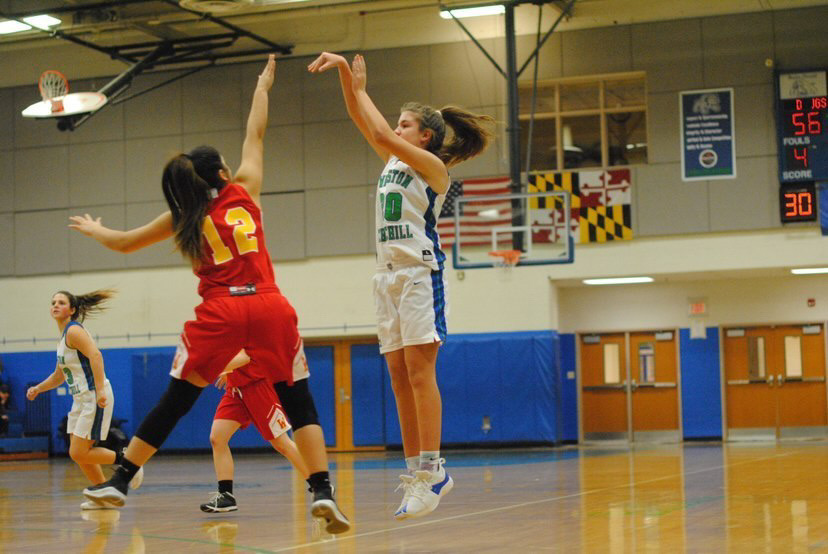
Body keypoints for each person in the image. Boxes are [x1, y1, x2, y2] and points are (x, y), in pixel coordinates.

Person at [69, 55, 350, 534]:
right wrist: (263, 87)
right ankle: (322, 490)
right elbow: (255, 134)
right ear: (222, 172)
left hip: (220, 310)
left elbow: (121, 243)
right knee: (299, 399)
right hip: (268, 303)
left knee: (177, 398)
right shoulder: (245, 190)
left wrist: (96, 230)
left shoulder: (184, 216)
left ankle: (120, 478)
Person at [308, 52, 494, 519]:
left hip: (417, 274)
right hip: (386, 277)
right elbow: (362, 121)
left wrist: (357, 83)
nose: (397, 128)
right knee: (397, 379)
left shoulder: (433, 168)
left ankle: (434, 471)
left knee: (418, 374)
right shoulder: (394, 160)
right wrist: (350, 85)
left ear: (424, 136)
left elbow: (376, 131)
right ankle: (419, 473)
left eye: (406, 124)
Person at [25, 290, 144, 510]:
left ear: (72, 310)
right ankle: (104, 493)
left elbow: (96, 355)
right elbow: (59, 375)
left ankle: (129, 463)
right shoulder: (63, 338)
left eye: (61, 302)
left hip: (92, 395)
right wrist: (38, 389)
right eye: (53, 302)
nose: (55, 305)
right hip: (80, 399)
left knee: (79, 452)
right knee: (79, 454)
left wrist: (99, 389)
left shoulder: (74, 331)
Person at [200, 349, 308, 513]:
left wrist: (218, 366)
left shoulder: (246, 326)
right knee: (217, 438)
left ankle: (320, 483)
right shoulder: (226, 329)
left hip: (257, 387)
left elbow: (245, 357)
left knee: (282, 444)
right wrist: (229, 370)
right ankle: (226, 495)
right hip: (236, 390)